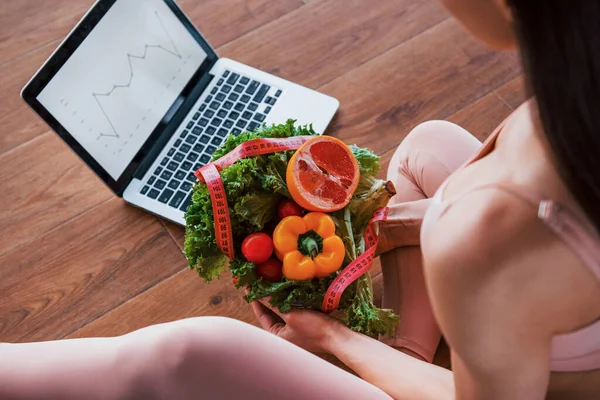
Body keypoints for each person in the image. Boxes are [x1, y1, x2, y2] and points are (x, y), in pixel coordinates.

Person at [2, 0, 600, 399]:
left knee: (193, 351)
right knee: (430, 144)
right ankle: (408, 356)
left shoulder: (483, 235)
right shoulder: (577, 99)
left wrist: (330, 337)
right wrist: (389, 228)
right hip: (553, 310)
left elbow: (493, 247)